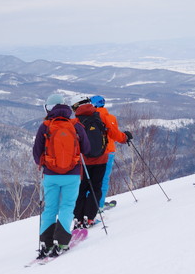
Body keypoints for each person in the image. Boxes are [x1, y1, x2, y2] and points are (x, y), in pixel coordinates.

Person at [32, 94, 90, 258]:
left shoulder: (45, 126)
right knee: (67, 207)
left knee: (50, 208)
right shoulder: (75, 125)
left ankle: (46, 242)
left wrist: (44, 164)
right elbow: (86, 149)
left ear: (49, 108)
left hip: (50, 175)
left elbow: (36, 152)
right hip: (72, 175)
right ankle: (62, 242)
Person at [71, 96, 129, 228]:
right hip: (101, 158)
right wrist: (125, 138)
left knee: (80, 189)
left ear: (75, 107)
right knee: (96, 188)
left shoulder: (74, 122)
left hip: (83, 162)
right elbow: (113, 133)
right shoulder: (100, 117)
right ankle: (90, 217)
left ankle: (78, 218)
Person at [87, 95, 132, 209]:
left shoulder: (88, 117)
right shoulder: (110, 117)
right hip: (108, 152)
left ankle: (89, 205)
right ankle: (98, 205)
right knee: (103, 180)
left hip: (91, 153)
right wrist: (125, 137)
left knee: (89, 180)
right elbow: (115, 134)